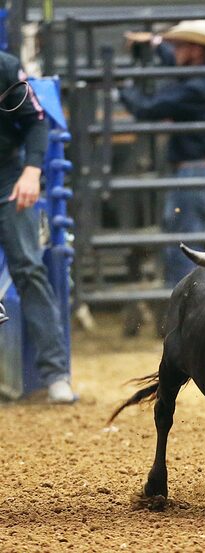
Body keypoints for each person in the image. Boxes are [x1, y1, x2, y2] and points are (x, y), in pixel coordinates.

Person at [117, 19, 205, 286]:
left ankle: (184, 309)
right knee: (188, 241)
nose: (175, 51)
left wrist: (119, 88)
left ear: (195, 50)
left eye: (180, 45)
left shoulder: (195, 86)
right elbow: (175, 63)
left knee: (182, 247)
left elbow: (146, 108)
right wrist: (155, 43)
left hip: (194, 173)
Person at [0, 51, 75, 402]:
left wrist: (32, 170)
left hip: (8, 179)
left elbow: (36, 119)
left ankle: (55, 373)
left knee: (29, 267)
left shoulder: (3, 66)